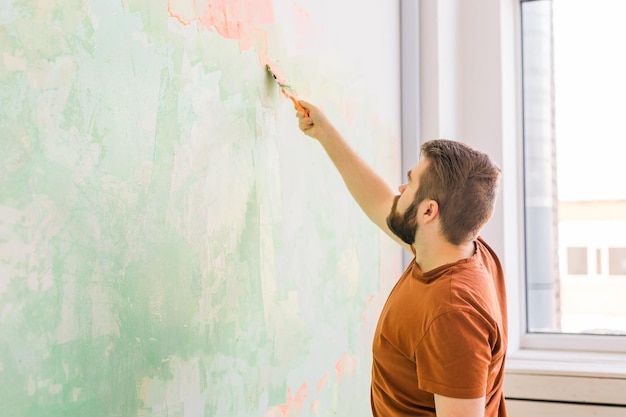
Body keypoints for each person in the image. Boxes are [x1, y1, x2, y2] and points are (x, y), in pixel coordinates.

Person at [294, 101, 508, 417]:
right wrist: (325, 133)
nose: (400, 188)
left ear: (428, 212)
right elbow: (381, 203)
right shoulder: (453, 246)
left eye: (410, 183)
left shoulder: (452, 314)